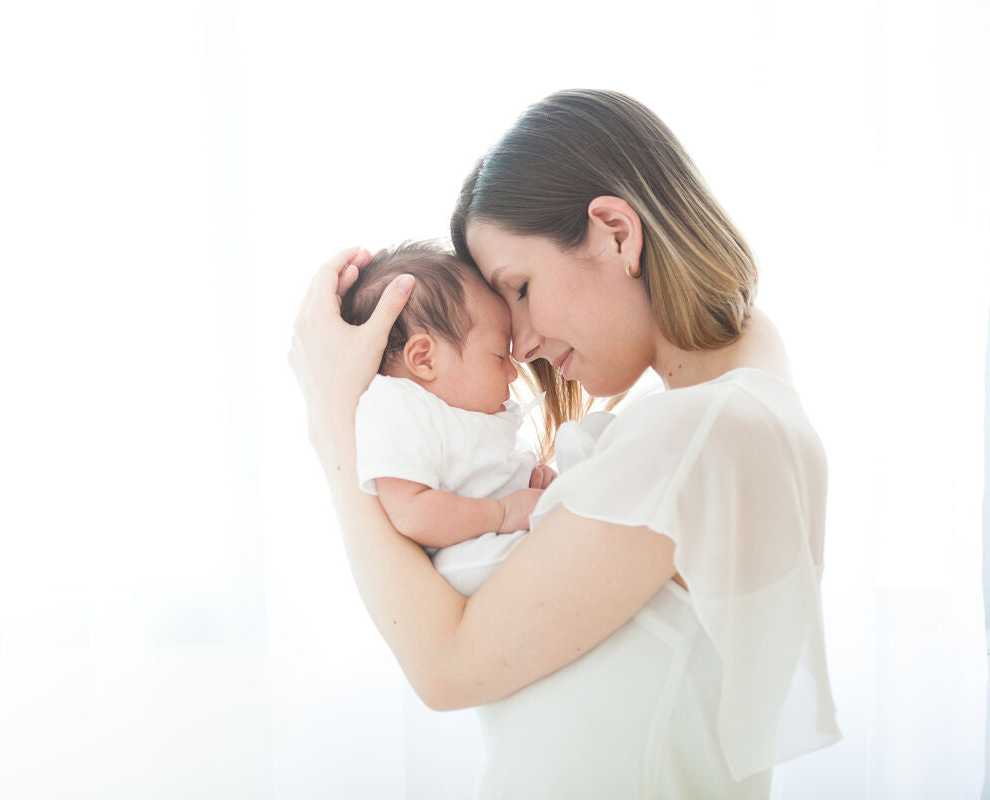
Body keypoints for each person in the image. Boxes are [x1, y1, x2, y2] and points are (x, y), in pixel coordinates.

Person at [288, 89, 841, 798]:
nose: (518, 343)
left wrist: (334, 423)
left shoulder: (697, 436)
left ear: (617, 232)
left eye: (518, 287)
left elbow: (446, 667)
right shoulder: (741, 405)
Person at [340, 241, 557, 596]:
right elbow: (411, 511)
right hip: (468, 561)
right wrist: (503, 512)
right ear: (425, 359)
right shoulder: (396, 404)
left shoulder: (463, 413)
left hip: (501, 546)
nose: (513, 373)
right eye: (499, 355)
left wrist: (528, 485)